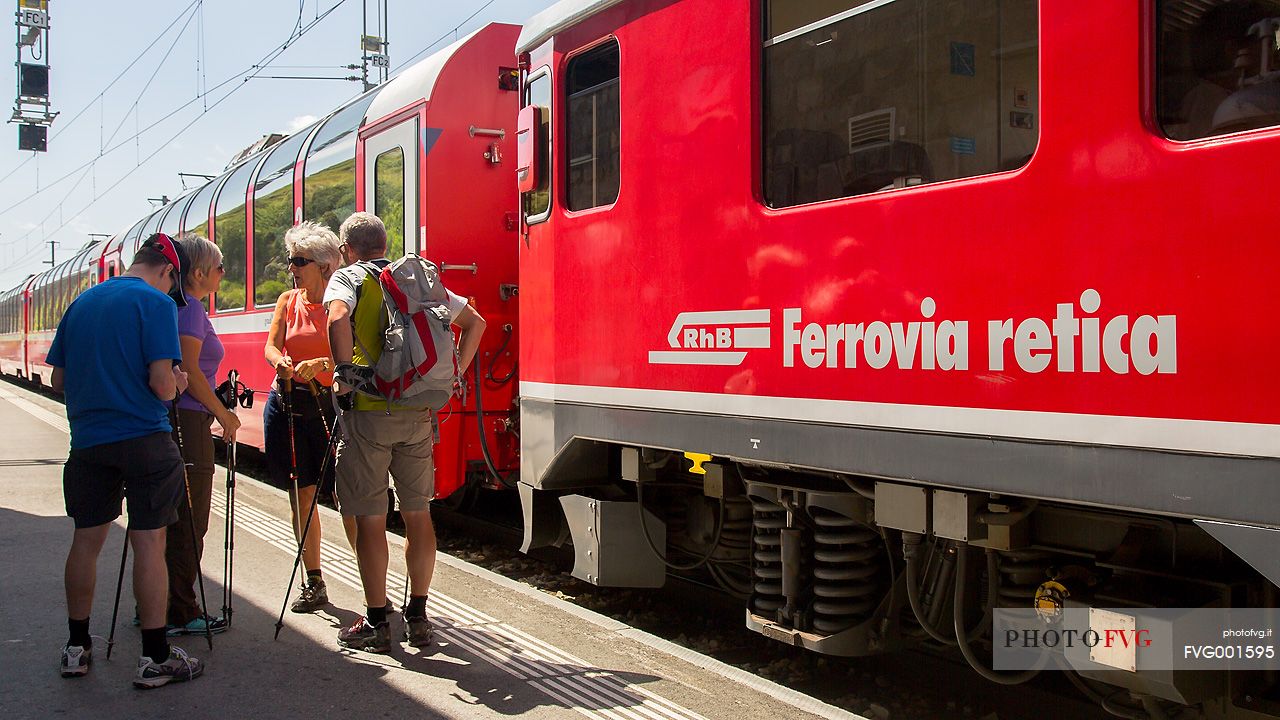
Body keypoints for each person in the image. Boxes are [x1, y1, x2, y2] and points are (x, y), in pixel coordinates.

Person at [325, 212, 485, 652]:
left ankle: (378, 621)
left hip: (370, 416)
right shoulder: (413, 279)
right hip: (418, 414)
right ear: (384, 244)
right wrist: (455, 376)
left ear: (348, 249)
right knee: (418, 514)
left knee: (371, 520)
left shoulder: (348, 278)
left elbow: (338, 317)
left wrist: (342, 373)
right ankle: (418, 615)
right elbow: (476, 323)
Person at [50, 232, 204, 688]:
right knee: (149, 545)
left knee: (85, 542)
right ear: (168, 272)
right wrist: (177, 381)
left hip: (89, 442)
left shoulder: (81, 303)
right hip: (144, 440)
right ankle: (154, 657)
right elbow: (161, 382)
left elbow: (59, 380)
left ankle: (77, 647)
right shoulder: (155, 305)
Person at [263, 220, 357, 613]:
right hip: (288, 403)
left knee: (347, 497)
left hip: (330, 406)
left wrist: (323, 364)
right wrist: (281, 361)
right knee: (301, 496)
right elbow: (269, 346)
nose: (292, 268)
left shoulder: (343, 303)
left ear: (323, 264)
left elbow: (356, 358)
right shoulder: (288, 300)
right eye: (290, 260)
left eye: (298, 261)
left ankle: (372, 585)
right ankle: (314, 580)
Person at [165, 233, 239, 636]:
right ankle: (181, 610)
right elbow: (191, 372)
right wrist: (223, 414)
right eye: (219, 267)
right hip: (191, 422)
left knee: (172, 516)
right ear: (198, 273)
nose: (224, 273)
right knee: (192, 521)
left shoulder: (177, 306)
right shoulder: (191, 308)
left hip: (177, 418)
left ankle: (156, 604)